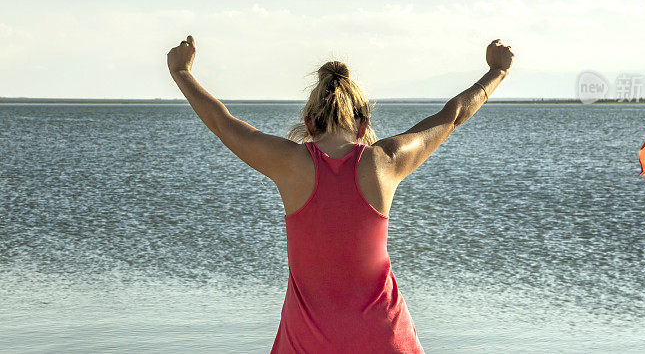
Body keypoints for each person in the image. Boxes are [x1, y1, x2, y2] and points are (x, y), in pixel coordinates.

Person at [166, 35, 514, 353]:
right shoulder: (385, 161)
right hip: (385, 338)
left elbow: (222, 123)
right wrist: (497, 71)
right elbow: (451, 116)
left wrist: (182, 72)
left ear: (309, 122)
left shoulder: (289, 163)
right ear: (364, 124)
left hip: (306, 342)